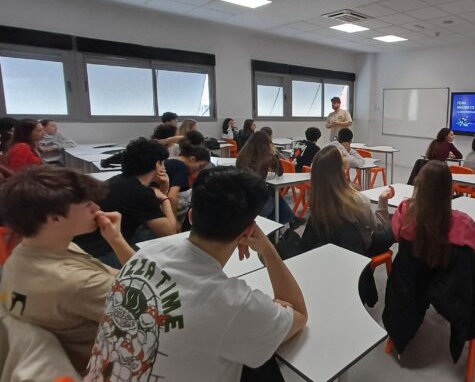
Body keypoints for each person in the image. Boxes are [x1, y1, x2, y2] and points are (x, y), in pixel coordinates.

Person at [85, 167, 308, 381]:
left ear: (191, 216)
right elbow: (298, 313)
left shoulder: (146, 253)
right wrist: (268, 249)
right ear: (248, 230)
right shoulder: (232, 304)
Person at [0, 166, 133, 373]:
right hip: (113, 366)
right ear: (54, 219)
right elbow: (154, 301)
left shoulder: (21, 256)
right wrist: (119, 241)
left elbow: (123, 279)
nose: (97, 208)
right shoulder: (77, 283)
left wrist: (113, 239)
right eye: (88, 204)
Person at [73, 138, 177, 268]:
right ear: (158, 165)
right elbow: (170, 233)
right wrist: (165, 199)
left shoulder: (119, 180)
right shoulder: (140, 192)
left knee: (150, 227)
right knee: (163, 240)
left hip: (81, 248)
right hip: (100, 256)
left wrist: (164, 188)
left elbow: (154, 212)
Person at [306, 146, 394, 256]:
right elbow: (378, 226)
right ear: (342, 169)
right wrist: (382, 200)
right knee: (394, 223)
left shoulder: (317, 198)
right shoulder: (356, 200)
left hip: (331, 249)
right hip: (359, 250)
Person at [392, 160, 475, 259]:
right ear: (449, 188)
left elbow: (398, 237)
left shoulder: (404, 212)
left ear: (419, 184)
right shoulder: (465, 224)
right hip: (448, 273)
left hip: (409, 272)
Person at [236, 131, 302, 229]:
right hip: (257, 204)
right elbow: (280, 172)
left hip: (242, 199)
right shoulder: (266, 158)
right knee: (273, 193)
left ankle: (291, 220)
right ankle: (287, 222)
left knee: (272, 192)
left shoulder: (242, 155)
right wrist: (275, 154)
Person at [166, 141, 211, 215]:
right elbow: (172, 196)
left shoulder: (173, 160)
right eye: (200, 166)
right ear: (193, 159)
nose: (198, 170)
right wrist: (174, 220)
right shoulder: (182, 167)